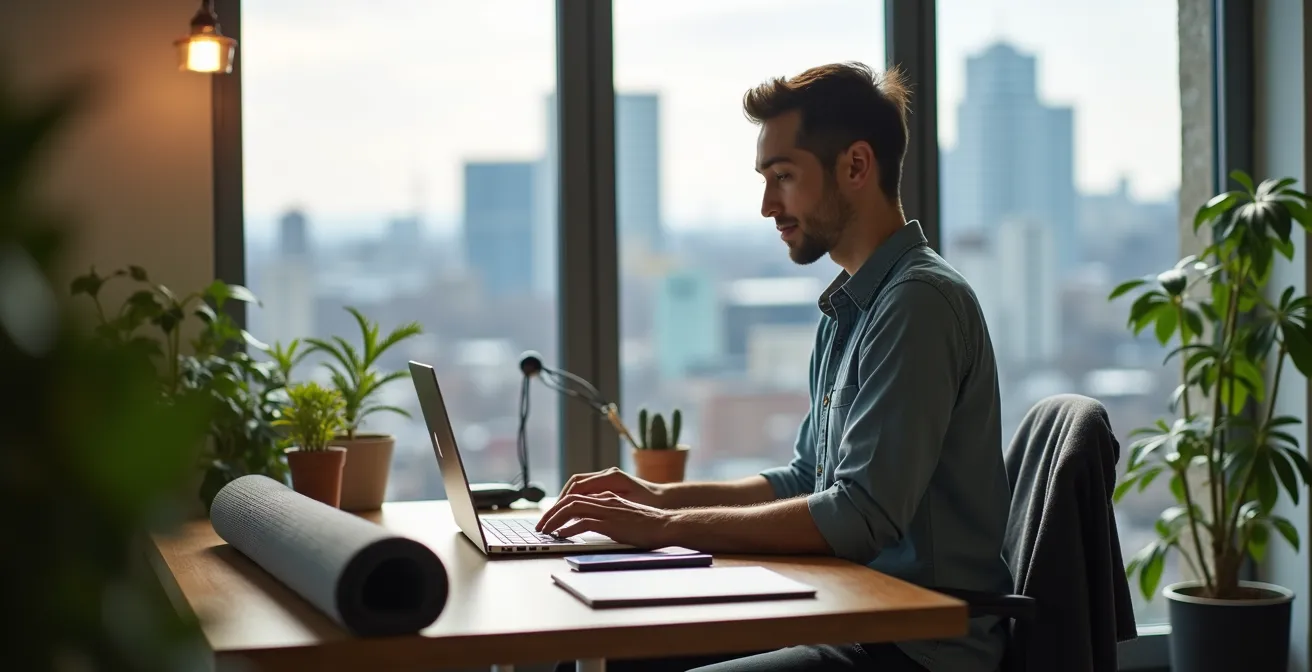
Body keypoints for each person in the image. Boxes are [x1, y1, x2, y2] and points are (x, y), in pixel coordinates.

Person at [541, 61, 1013, 672]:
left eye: (783, 177)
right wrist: (658, 497)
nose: (768, 205)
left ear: (856, 166)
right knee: (599, 654)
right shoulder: (850, 308)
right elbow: (804, 480)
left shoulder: (918, 303)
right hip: (847, 610)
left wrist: (664, 525)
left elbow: (859, 516)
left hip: (915, 647)